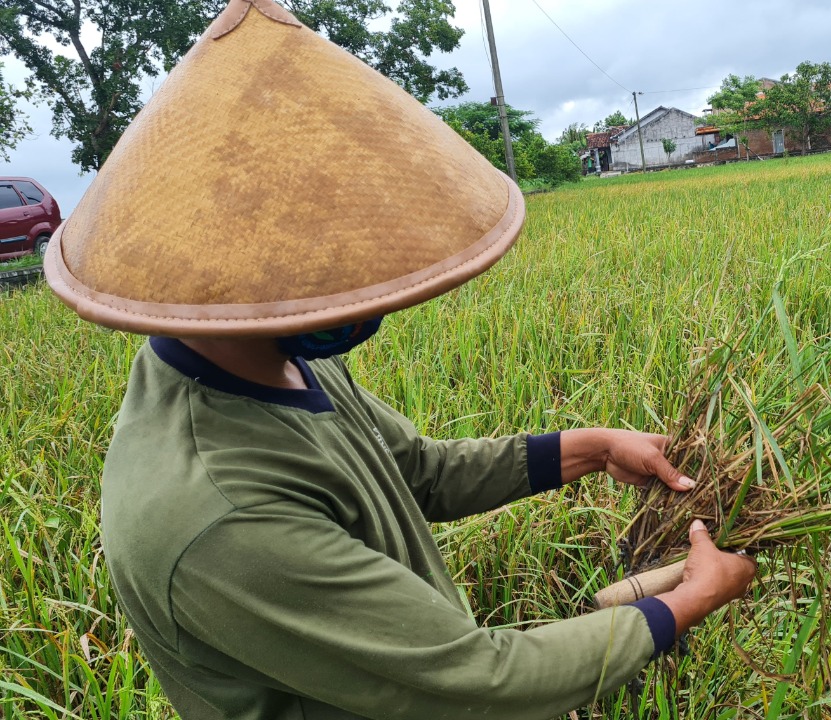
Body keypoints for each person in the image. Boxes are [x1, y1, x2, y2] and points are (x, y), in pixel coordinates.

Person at [43, 1, 756, 718]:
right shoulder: (217, 515)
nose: (367, 287)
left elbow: (412, 473)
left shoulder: (265, 349)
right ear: (234, 271)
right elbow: (479, 683)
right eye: (336, 265)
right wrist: (691, 600)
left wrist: (591, 449)